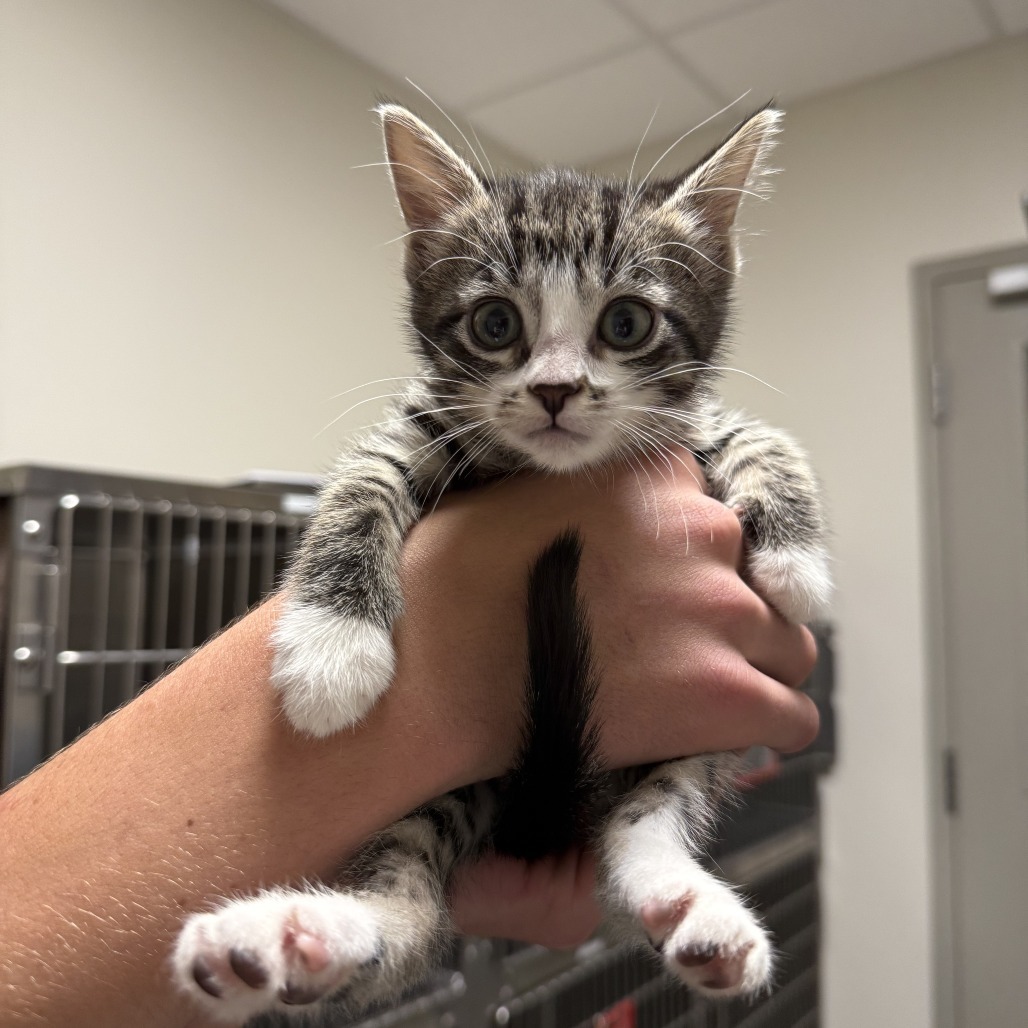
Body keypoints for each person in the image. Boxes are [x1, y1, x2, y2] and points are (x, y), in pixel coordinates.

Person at [0, 453, 818, 1028]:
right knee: (417, 845)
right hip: (479, 785)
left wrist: (779, 506)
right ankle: (381, 922)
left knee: (694, 739)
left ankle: (654, 854)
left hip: (584, 789)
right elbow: (378, 471)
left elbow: (752, 445)